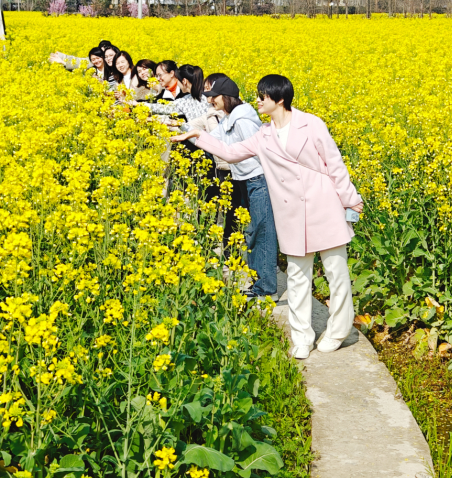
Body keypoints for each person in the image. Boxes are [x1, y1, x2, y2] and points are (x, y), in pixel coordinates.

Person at [172, 74, 363, 359]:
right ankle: (302, 337)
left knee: (336, 272)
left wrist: (350, 199)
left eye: (263, 96)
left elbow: (334, 163)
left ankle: (337, 331)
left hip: (324, 204)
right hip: (291, 213)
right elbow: (231, 152)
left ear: (280, 99)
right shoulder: (263, 135)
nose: (258, 101)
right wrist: (198, 136)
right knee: (297, 276)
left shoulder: (311, 124)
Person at [201, 74, 278, 299]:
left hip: (259, 180)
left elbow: (261, 151)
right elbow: (211, 139)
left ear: (226, 96)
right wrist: (182, 130)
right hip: (245, 180)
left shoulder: (243, 120)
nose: (210, 100)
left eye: (214, 96)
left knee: (263, 233)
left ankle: (266, 289)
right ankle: (259, 284)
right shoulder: (229, 119)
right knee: (252, 231)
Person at [142, 65, 212, 123]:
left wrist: (140, 105)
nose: (177, 83)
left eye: (177, 80)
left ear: (184, 81)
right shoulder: (208, 96)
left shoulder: (185, 101)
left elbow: (164, 108)